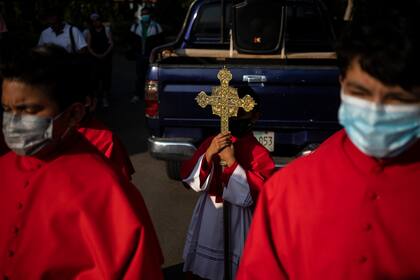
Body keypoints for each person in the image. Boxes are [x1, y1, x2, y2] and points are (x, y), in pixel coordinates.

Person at [236, 1, 420, 279]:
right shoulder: (289, 191)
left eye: (398, 101)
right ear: (342, 82)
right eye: (360, 92)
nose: (375, 112)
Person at [0, 45, 163, 278]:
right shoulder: (4, 167)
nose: (14, 122)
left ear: (75, 113)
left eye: (28, 110)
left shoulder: (107, 189)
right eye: (7, 109)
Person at [180, 86, 276, 280]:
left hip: (240, 220)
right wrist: (208, 154)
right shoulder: (212, 142)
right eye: (231, 110)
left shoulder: (258, 152)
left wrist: (232, 162)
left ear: (255, 116)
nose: (235, 116)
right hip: (210, 214)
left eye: (242, 112)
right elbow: (189, 180)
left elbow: (256, 195)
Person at [129, 6, 163, 103]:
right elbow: (131, 41)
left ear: (150, 15)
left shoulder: (156, 27)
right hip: (140, 55)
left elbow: (160, 42)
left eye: (146, 14)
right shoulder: (135, 26)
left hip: (151, 57)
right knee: (139, 76)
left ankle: (151, 96)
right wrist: (134, 53)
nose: (145, 16)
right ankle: (137, 94)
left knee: (151, 77)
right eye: (143, 14)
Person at [86, 13, 114, 108]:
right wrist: (96, 55)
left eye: (97, 20)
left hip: (106, 58)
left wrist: (104, 54)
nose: (95, 22)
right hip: (94, 59)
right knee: (95, 79)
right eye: (93, 21)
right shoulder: (89, 31)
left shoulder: (106, 29)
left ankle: (105, 98)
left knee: (106, 78)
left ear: (100, 20)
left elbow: (111, 44)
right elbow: (89, 46)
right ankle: (96, 98)